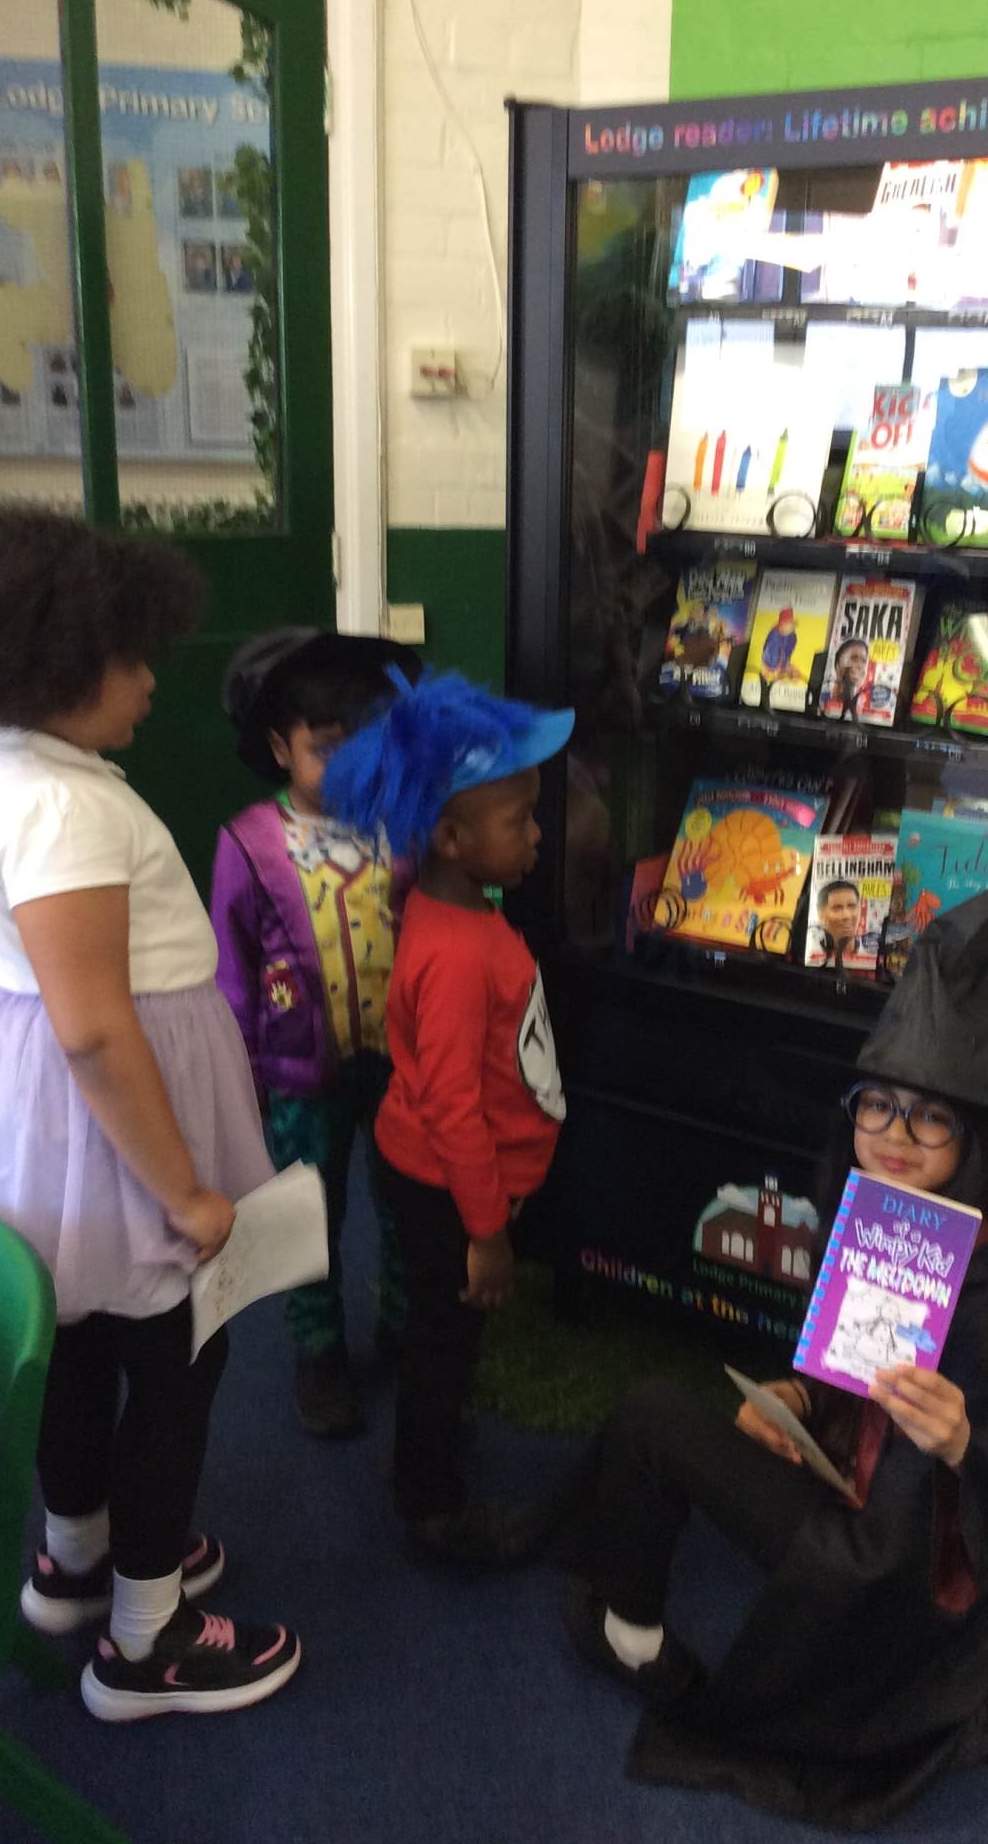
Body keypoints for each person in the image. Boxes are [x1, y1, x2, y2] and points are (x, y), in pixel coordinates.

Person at [0, 511, 301, 1722]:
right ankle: (147, 1641)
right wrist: (187, 1193)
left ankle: (75, 1555)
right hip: (103, 1116)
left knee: (73, 1332)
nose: (153, 680)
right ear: (52, 667)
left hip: (22, 1098)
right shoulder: (65, 810)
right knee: (177, 1353)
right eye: (129, 657)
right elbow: (97, 1032)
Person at [556, 868, 988, 1830]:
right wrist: (794, 1399)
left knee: (660, 1424)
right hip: (838, 1496)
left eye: (931, 1116)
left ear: (972, 1142)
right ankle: (629, 1624)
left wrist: (964, 1442)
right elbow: (842, 1377)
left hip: (888, 1566)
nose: (897, 1135)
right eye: (878, 1105)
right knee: (655, 1414)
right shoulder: (868, 1227)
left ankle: (642, 1636)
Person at [321, 670, 573, 1570]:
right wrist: (487, 1233)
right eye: (520, 821)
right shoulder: (459, 955)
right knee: (444, 1340)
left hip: (443, 1176)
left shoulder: (447, 906)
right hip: (451, 1188)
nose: (537, 835)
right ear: (452, 839)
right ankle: (432, 1507)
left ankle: (430, 1441)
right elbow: (455, 1106)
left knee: (444, 1332)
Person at [212, 627, 421, 1439]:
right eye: (327, 749)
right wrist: (244, 1077)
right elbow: (232, 972)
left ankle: (403, 1326)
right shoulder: (248, 845)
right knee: (306, 1214)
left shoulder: (400, 826)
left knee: (404, 1203)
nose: (352, 764)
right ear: (280, 748)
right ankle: (318, 1349)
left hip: (400, 1063)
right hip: (300, 1070)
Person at [815, 873, 861, 966]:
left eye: (852, 906)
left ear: (859, 909)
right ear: (821, 913)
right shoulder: (814, 955)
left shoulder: (872, 954)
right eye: (837, 908)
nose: (846, 916)